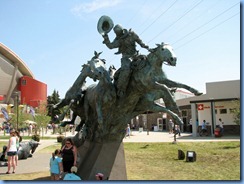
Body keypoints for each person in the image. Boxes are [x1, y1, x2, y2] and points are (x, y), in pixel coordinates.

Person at [102, 24, 149, 97]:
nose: (117, 34)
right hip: (126, 58)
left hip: (136, 55)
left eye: (118, 32)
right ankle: (121, 89)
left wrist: (146, 47)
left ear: (122, 30)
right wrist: (106, 37)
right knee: (126, 70)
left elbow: (140, 41)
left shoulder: (131, 34)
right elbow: (111, 46)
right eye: (116, 33)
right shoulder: (118, 39)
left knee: (148, 61)